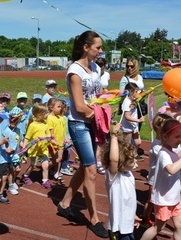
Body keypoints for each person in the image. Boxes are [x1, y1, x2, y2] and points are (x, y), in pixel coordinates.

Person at [56, 30, 108, 238]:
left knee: (86, 167)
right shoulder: (75, 70)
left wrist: (107, 105)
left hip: (92, 122)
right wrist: (102, 119)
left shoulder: (95, 67)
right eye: (98, 47)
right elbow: (79, 105)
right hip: (79, 124)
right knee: (91, 170)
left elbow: (98, 96)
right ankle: (94, 218)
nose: (100, 51)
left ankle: (65, 203)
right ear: (86, 47)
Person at [141, 119, 181, 240]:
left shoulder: (173, 153)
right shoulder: (163, 154)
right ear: (165, 136)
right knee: (158, 227)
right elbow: (171, 169)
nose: (180, 140)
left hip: (175, 198)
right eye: (177, 136)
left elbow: (176, 177)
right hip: (164, 199)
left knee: (179, 225)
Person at [102, 122, 142, 239]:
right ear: (121, 161)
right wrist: (114, 137)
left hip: (128, 224)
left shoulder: (129, 174)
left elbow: (129, 200)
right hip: (118, 228)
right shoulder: (114, 176)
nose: (136, 162)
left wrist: (132, 215)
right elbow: (114, 160)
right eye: (132, 160)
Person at [21, 103, 52, 189]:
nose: (47, 114)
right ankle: (25, 176)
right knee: (33, 165)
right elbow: (27, 137)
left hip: (43, 149)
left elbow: (48, 136)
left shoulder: (46, 124)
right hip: (34, 149)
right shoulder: (32, 125)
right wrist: (24, 147)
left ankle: (45, 181)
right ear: (39, 114)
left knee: (45, 165)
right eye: (45, 113)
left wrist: (47, 139)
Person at [119, 58, 146, 151]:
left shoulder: (140, 77)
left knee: (137, 133)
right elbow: (122, 93)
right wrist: (131, 99)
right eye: (127, 66)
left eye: (132, 66)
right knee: (128, 137)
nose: (129, 68)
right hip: (131, 106)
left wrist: (143, 94)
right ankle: (126, 157)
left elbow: (142, 90)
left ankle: (132, 155)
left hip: (139, 106)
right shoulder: (125, 78)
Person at [120, 82, 146, 164]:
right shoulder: (127, 102)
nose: (137, 93)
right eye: (136, 91)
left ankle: (133, 155)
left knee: (138, 142)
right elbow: (127, 117)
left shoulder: (134, 100)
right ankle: (124, 160)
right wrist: (138, 120)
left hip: (134, 125)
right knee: (126, 145)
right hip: (127, 126)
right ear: (130, 92)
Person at [3, 107, 24, 195]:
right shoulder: (6, 130)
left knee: (18, 169)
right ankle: (10, 185)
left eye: (15, 120)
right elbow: (3, 143)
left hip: (15, 155)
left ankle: (11, 181)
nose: (13, 122)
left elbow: (21, 141)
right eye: (11, 119)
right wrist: (6, 149)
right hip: (7, 155)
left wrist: (25, 147)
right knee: (10, 170)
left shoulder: (19, 131)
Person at [46, 98, 65, 183]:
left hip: (61, 142)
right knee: (55, 160)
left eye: (61, 106)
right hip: (53, 143)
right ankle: (45, 167)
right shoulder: (49, 118)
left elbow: (63, 130)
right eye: (58, 107)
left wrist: (65, 139)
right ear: (51, 107)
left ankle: (56, 173)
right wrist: (53, 140)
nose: (60, 108)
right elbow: (51, 132)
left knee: (60, 159)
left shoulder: (60, 118)